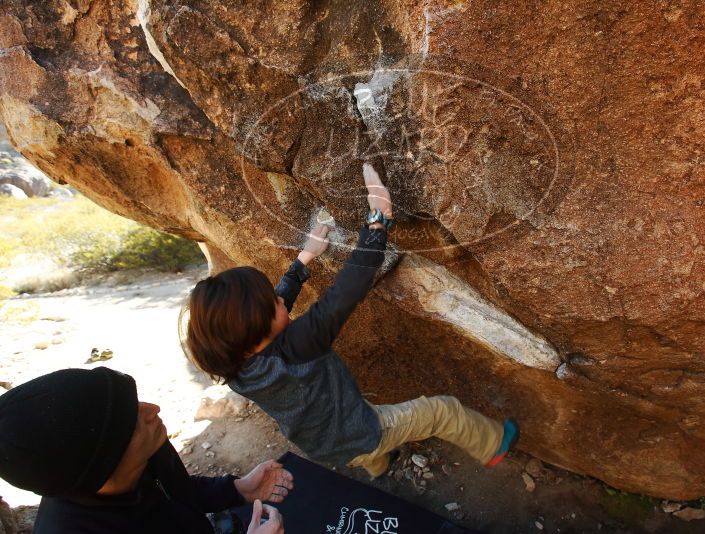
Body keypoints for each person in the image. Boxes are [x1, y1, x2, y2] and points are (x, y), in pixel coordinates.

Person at [182, 163, 520, 478]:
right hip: (361, 430)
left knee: (359, 435)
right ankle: (493, 444)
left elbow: (277, 304)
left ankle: (379, 466)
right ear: (255, 332)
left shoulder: (237, 365)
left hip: (322, 442)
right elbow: (343, 295)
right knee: (441, 411)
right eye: (273, 303)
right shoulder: (296, 349)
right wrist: (378, 223)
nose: (279, 298)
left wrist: (305, 257)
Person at [0, 367, 292, 534]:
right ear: (103, 467)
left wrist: (238, 490)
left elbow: (176, 492)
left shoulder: (145, 453)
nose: (152, 410)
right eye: (130, 421)